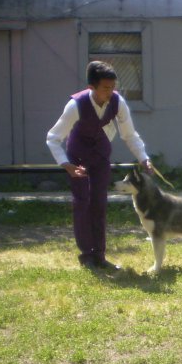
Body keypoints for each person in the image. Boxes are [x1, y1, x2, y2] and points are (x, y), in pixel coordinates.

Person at [47, 60, 154, 271]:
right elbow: (53, 137)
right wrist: (66, 164)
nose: (110, 92)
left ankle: (100, 255)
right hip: (77, 157)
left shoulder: (117, 102)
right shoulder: (75, 105)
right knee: (82, 203)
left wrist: (143, 157)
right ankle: (87, 256)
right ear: (91, 87)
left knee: (99, 203)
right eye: (105, 88)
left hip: (101, 155)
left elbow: (128, 134)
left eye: (113, 87)